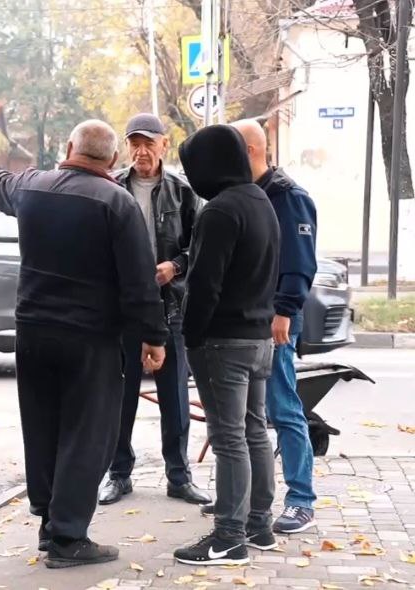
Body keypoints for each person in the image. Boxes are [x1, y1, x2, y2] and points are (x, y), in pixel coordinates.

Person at [0, 120, 168, 569]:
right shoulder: (117, 203)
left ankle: (49, 522)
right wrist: (153, 336)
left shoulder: (31, 186)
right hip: (90, 337)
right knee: (88, 434)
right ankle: (68, 538)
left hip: (33, 333)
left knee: (43, 427)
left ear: (68, 147)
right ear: (114, 159)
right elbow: (139, 281)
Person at [174, 125, 280, 566]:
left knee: (228, 439)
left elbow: (204, 284)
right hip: (258, 337)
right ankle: (259, 525)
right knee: (254, 431)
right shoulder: (260, 200)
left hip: (223, 342)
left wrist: (191, 335)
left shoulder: (219, 211)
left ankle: (229, 537)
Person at [102, 113, 210, 507]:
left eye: (149, 143)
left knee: (175, 398)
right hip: (123, 310)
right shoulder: (112, 188)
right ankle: (118, 474)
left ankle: (179, 477)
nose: (142, 151)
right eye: (135, 143)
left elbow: (202, 246)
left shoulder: (184, 192)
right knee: (120, 397)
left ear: (164, 144)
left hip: (171, 308)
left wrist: (175, 266)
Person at [233, 119, 319, 534]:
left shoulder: (288, 196)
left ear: (250, 150)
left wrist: (284, 311)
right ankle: (247, 497)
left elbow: (300, 262)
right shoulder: (247, 193)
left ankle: (301, 500)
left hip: (275, 320)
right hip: (248, 318)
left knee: (283, 408)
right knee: (250, 414)